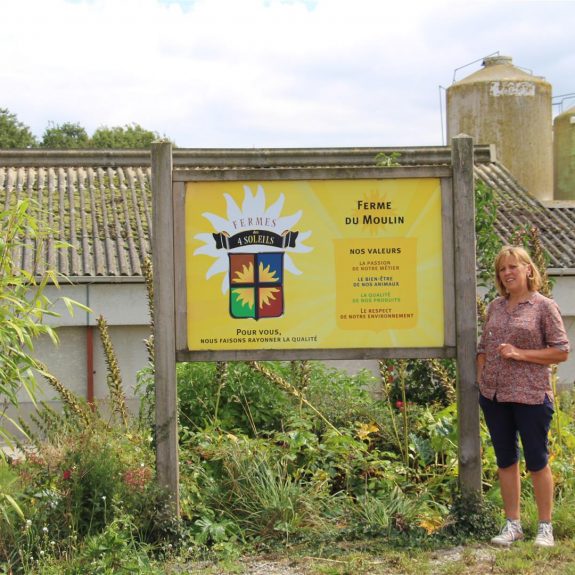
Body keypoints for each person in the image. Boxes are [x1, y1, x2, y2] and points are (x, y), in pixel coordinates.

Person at [477, 245, 570, 547]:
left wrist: (520, 353)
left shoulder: (544, 306)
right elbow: (482, 347)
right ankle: (512, 525)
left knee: (537, 461)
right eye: (502, 269)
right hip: (494, 396)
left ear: (529, 270)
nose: (507, 273)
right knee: (506, 460)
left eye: (513, 267)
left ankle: (545, 528)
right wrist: (482, 376)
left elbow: (560, 351)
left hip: (531, 396)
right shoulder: (495, 307)